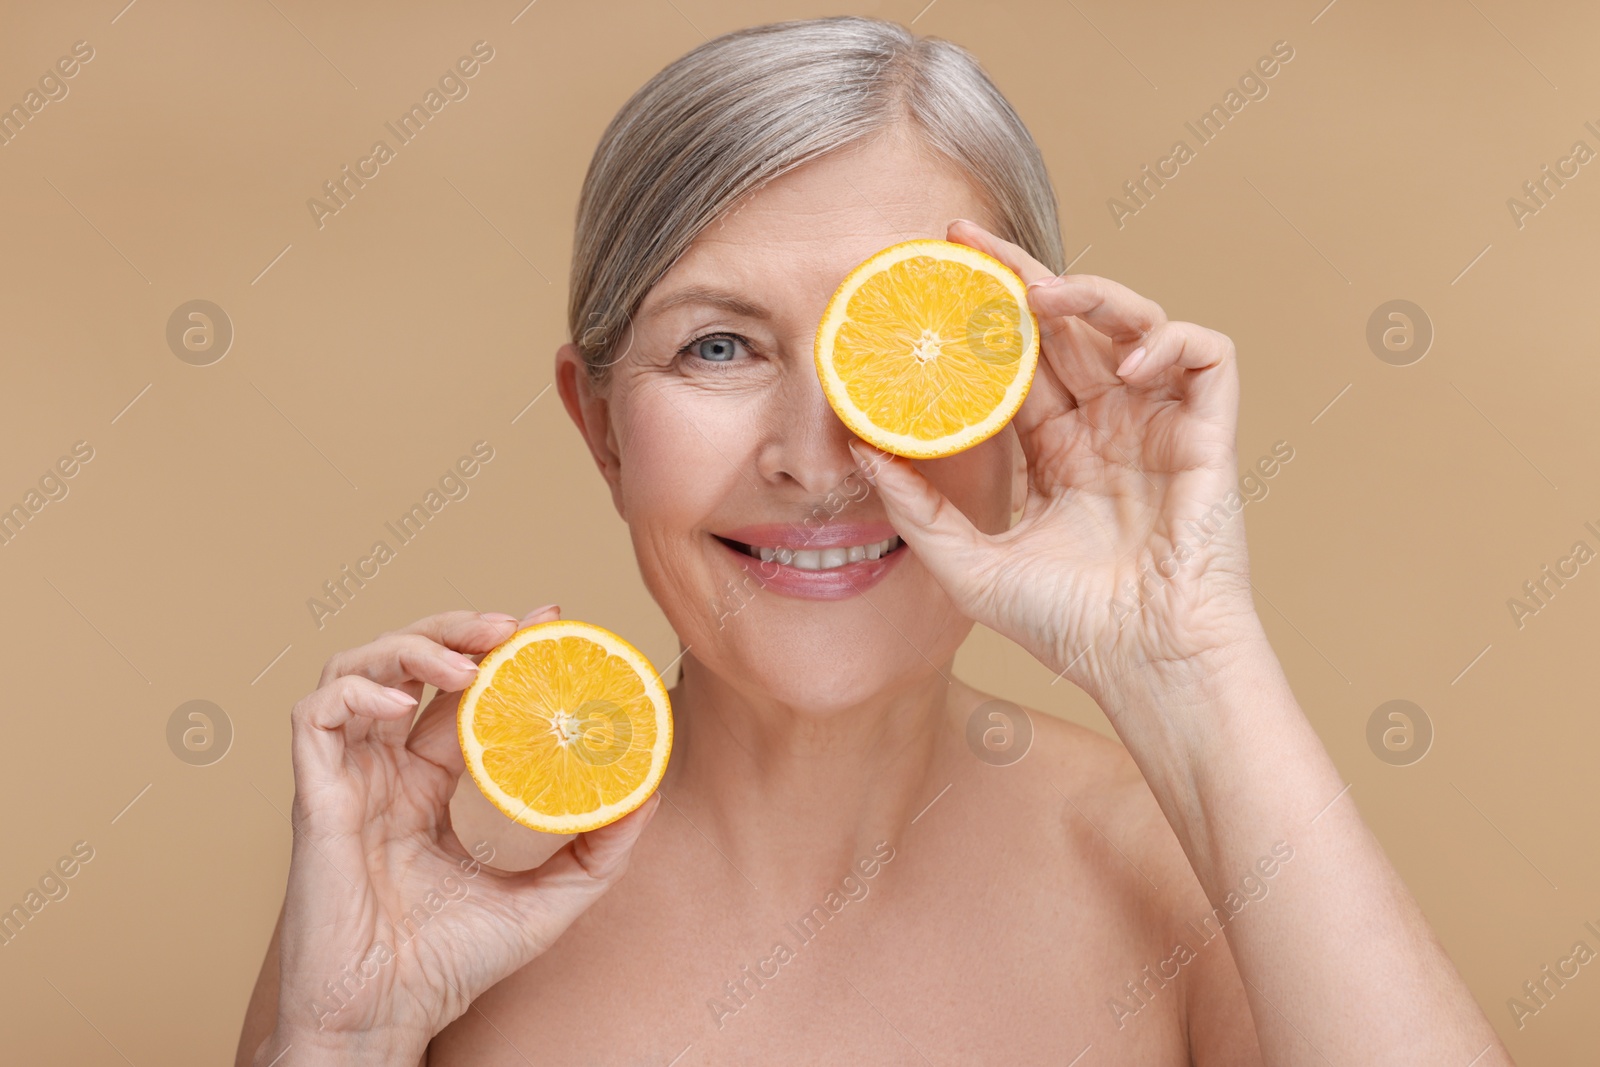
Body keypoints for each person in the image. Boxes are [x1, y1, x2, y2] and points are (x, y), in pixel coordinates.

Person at [237, 16, 1511, 1065]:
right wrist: (341, 1037)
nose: (817, 453)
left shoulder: (1197, 876)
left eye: (902, 349)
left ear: (1028, 386)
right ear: (602, 425)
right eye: (719, 345)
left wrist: (1195, 662)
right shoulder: (445, 889)